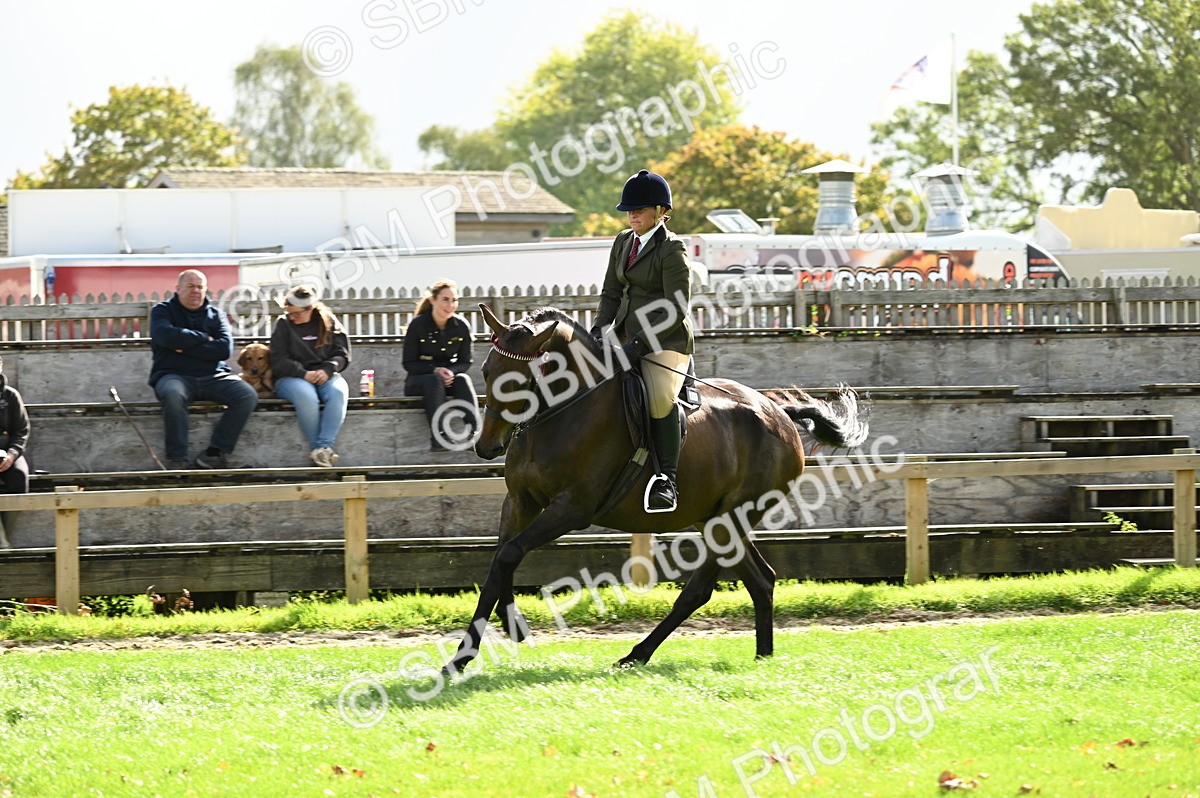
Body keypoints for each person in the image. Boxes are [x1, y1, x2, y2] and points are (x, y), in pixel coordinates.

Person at [591, 169, 694, 513]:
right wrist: (598, 328)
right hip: (623, 333)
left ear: (661, 211)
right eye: (629, 210)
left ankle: (668, 480)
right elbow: (611, 291)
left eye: (640, 209)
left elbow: (676, 307)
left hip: (666, 341)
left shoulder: (672, 249)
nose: (632, 214)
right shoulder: (623, 241)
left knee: (660, 399)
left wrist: (638, 344)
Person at [150, 270, 259, 469]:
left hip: (214, 376)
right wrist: (203, 338)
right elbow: (164, 336)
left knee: (246, 395)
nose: (196, 291)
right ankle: (177, 459)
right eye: (190, 286)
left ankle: (214, 453)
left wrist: (183, 345)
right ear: (178, 288)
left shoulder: (216, 314)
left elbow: (224, 348)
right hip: (174, 375)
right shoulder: (162, 311)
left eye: (200, 287)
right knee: (173, 394)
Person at [269, 285, 352, 467]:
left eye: (296, 314)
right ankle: (319, 450)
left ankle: (323, 448)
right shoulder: (283, 324)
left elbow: (343, 354)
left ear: (310, 309)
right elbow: (277, 359)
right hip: (292, 377)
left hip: (325, 374)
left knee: (338, 393)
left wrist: (328, 369)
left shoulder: (328, 321)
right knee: (307, 396)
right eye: (288, 313)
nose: (292, 317)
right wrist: (302, 373)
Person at [403, 279, 475, 451]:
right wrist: (435, 370)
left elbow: (465, 361)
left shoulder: (461, 326)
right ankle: (439, 437)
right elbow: (409, 363)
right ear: (433, 300)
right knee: (433, 381)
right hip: (419, 381)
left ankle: (475, 434)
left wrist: (451, 371)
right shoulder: (418, 325)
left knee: (463, 379)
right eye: (445, 299)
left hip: (448, 379)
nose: (450, 305)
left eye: (454, 300)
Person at [0, 356, 30, 547]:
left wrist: (11, 454)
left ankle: (7, 534)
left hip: (8, 450)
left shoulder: (11, 396)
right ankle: (1, 541)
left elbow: (22, 430)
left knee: (19, 476)